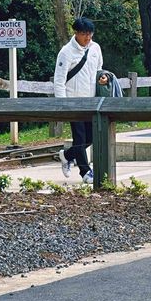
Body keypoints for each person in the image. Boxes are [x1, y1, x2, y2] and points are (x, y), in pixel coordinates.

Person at [53, 17, 103, 183]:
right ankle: (85, 172)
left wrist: (102, 78)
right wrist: (63, 105)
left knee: (91, 138)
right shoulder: (66, 52)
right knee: (80, 138)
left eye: (90, 34)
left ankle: (66, 155)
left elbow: (99, 70)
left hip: (91, 101)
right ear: (76, 33)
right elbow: (59, 81)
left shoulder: (95, 48)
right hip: (73, 101)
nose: (87, 37)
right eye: (84, 34)